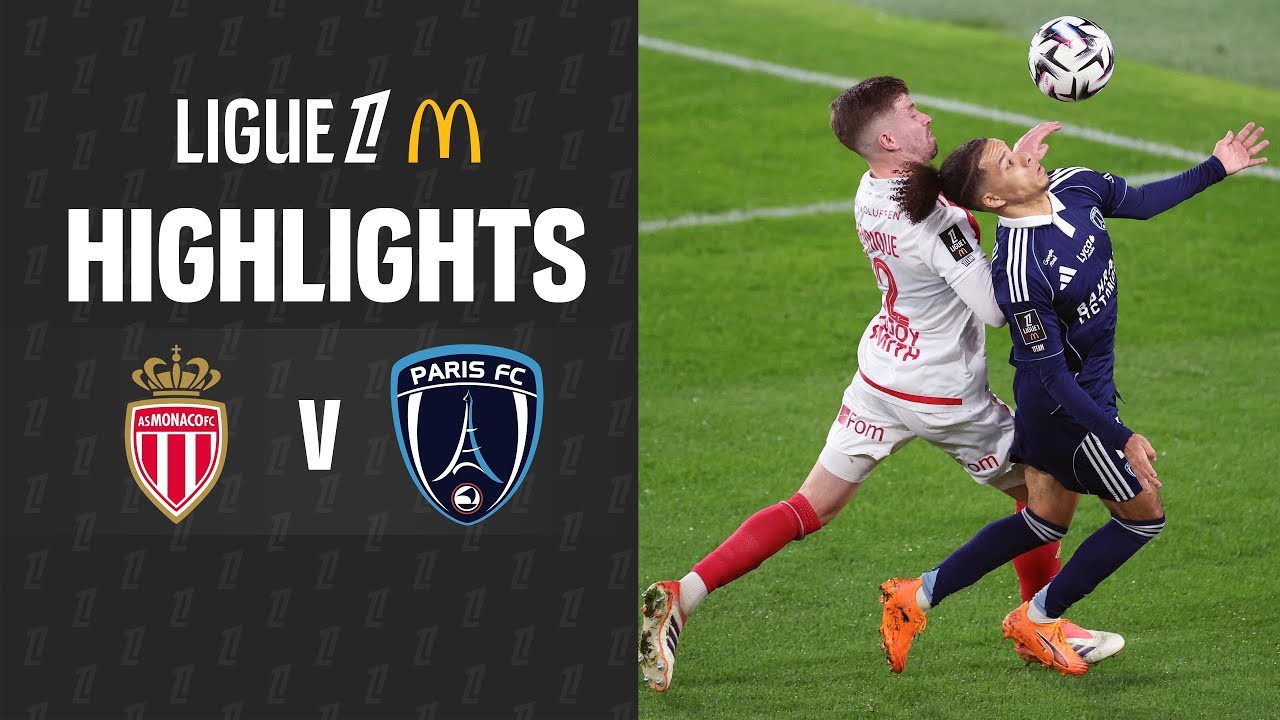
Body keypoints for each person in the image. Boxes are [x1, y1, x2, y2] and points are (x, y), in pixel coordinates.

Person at [637, 76, 1121, 693]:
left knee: (810, 505)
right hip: (943, 395)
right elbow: (997, 310)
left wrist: (1009, 172)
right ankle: (1041, 623)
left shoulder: (871, 189)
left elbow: (938, 200)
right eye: (912, 112)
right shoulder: (936, 219)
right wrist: (1023, 210)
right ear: (889, 138)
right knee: (1046, 495)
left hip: (881, 375)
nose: (927, 118)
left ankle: (683, 595)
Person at [878, 123, 1268, 676]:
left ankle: (914, 596)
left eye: (1015, 151)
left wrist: (1216, 167)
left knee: (1042, 521)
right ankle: (1038, 618)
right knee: (1142, 518)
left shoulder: (1074, 184)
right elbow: (1055, 378)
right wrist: (1120, 436)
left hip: (1081, 395)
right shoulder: (1019, 272)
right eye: (1008, 163)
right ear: (994, 200)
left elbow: (1140, 203)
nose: (1025, 159)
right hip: (1067, 411)